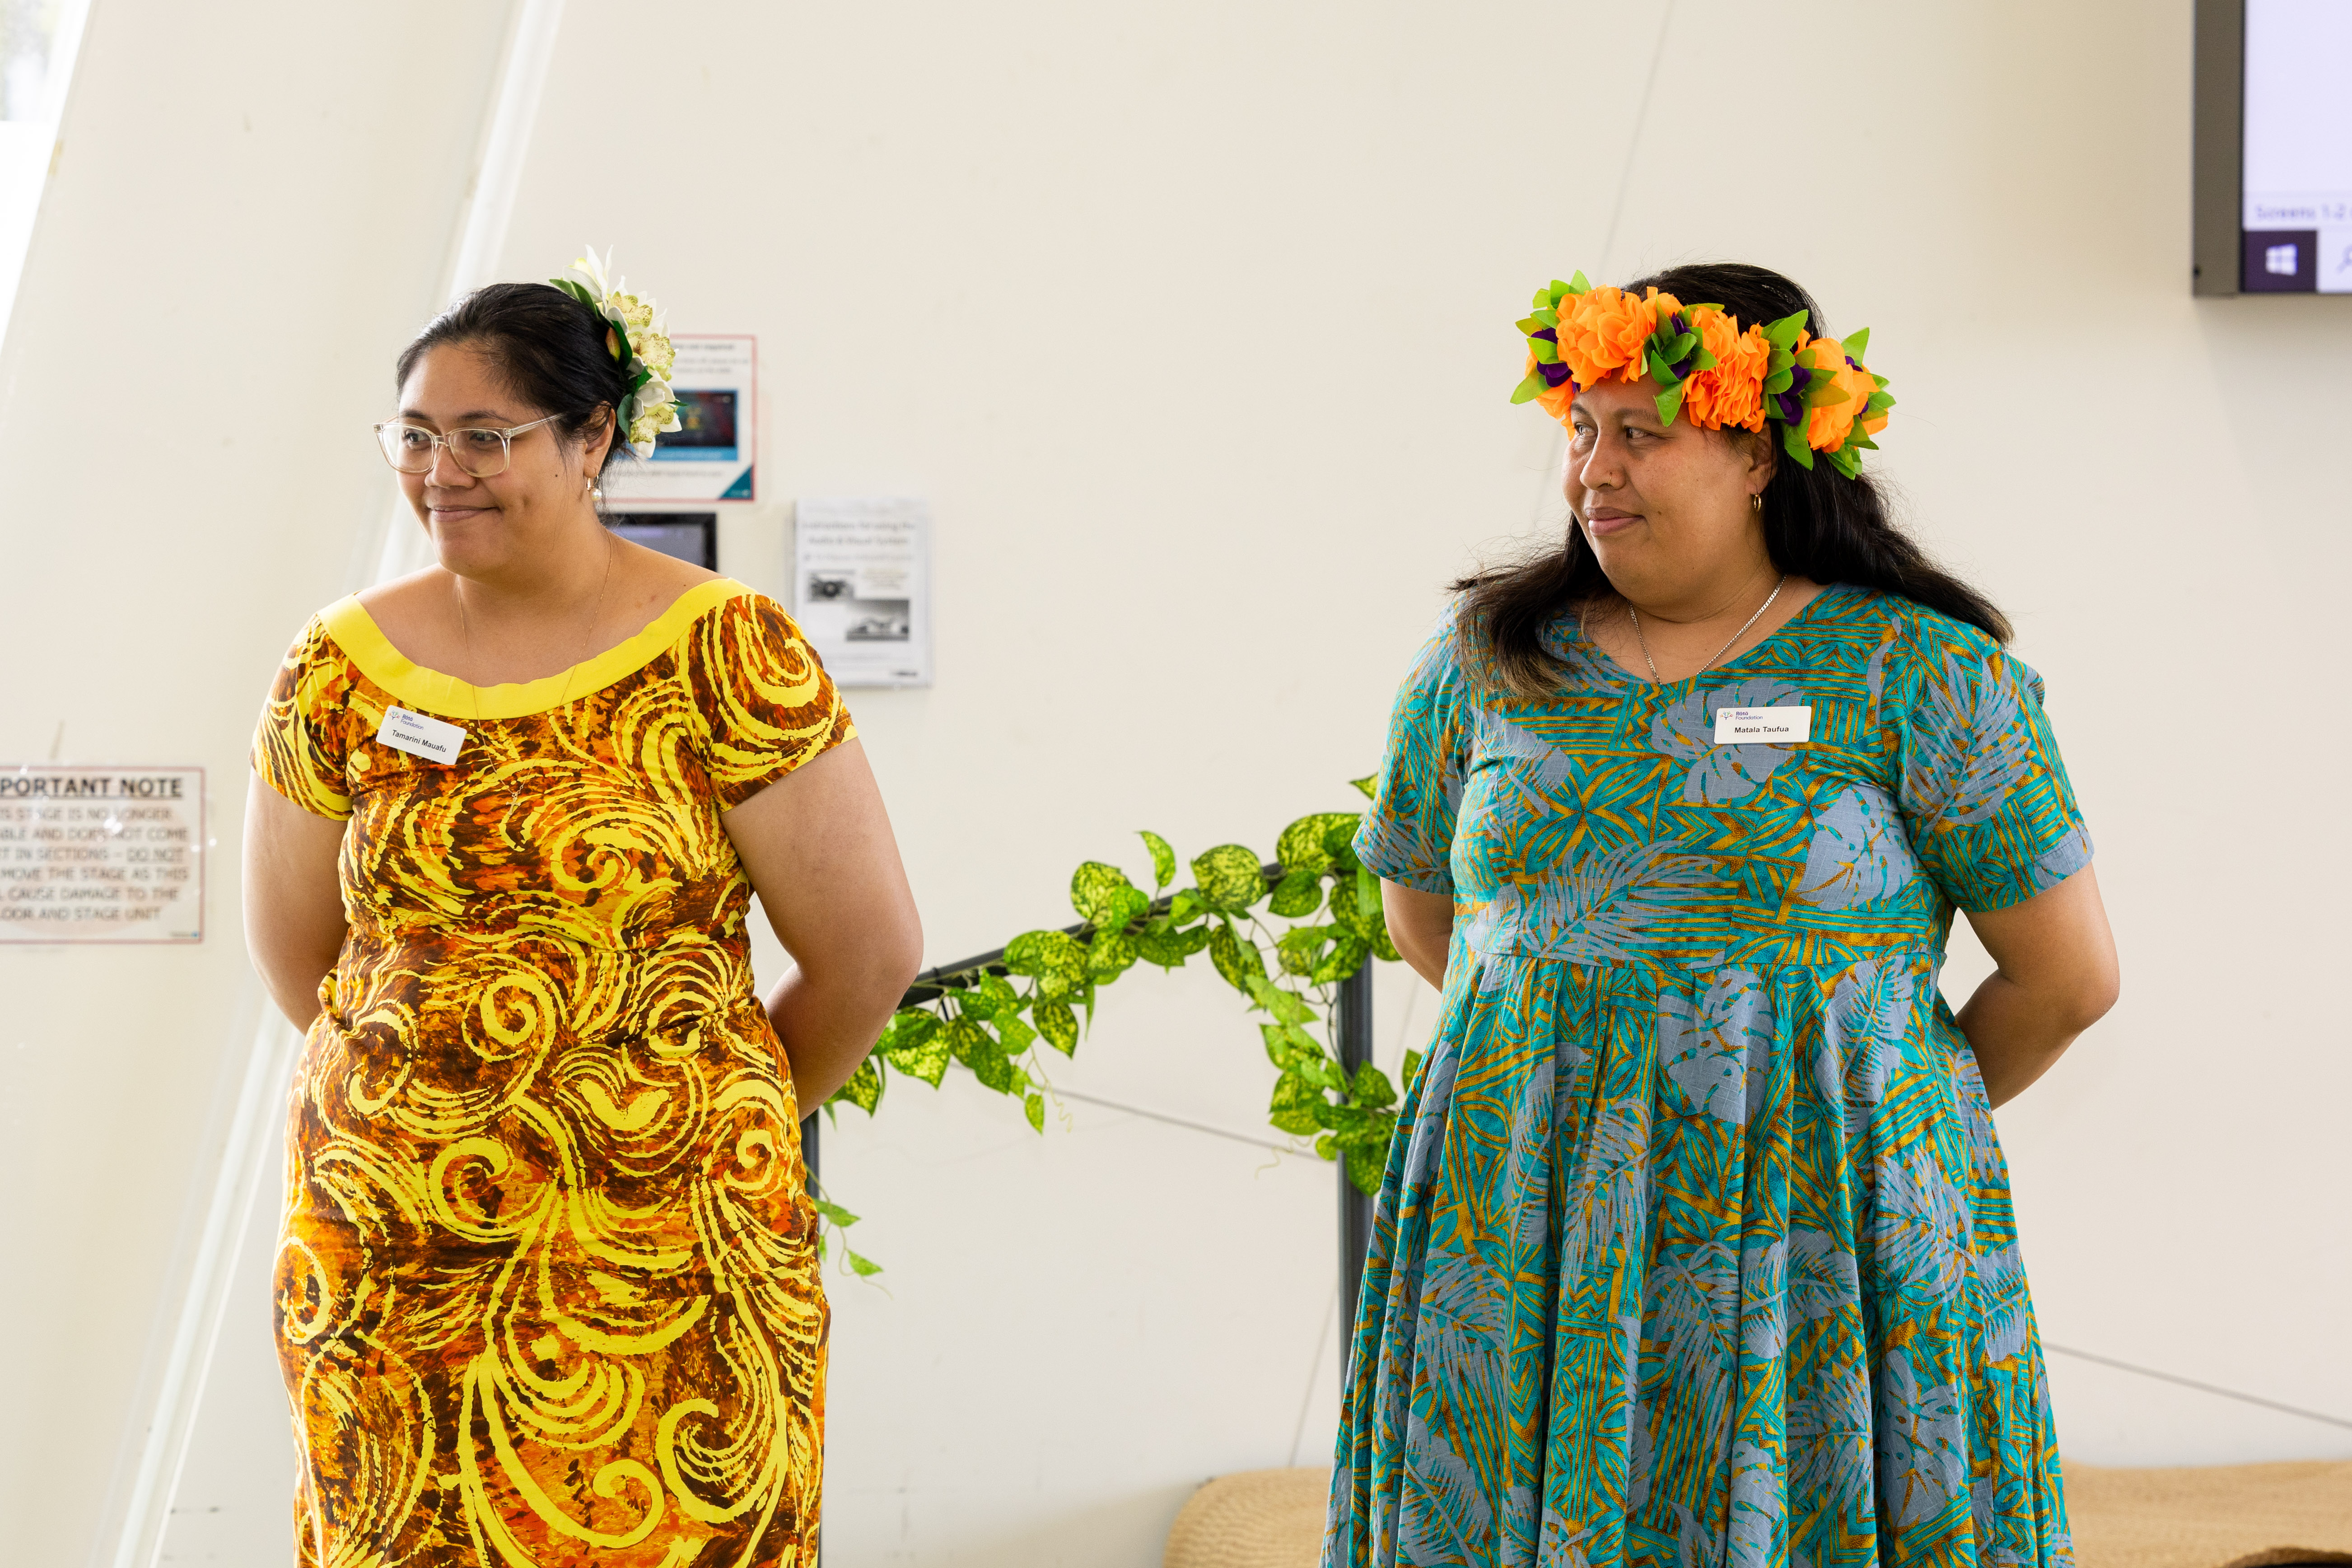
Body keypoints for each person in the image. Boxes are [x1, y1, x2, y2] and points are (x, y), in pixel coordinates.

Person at [1329, 262, 2118, 1565]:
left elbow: (2069, 979)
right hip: (1521, 1227)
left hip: (1823, 1245)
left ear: (1761, 453)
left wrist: (1862, 1115)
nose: (1595, 470)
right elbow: (1432, 913)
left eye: (1642, 432)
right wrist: (1562, 1064)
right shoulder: (1485, 664)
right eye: (1582, 430)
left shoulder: (1923, 674)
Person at [242, 254, 923, 1566]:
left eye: (488, 437)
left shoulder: (728, 650)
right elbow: (305, 966)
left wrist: (698, 1111)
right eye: (418, 437)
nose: (446, 470)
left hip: (674, 1256)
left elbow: (868, 955)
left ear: (594, 435)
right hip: (398, 1253)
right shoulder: (336, 664)